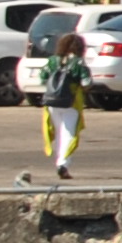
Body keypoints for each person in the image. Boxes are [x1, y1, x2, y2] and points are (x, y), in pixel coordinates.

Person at [38, 30, 92, 178]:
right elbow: (87, 82)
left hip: (51, 102)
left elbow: (42, 78)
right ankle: (62, 164)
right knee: (70, 134)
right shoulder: (79, 62)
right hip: (71, 103)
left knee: (59, 133)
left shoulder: (52, 60)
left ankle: (60, 161)